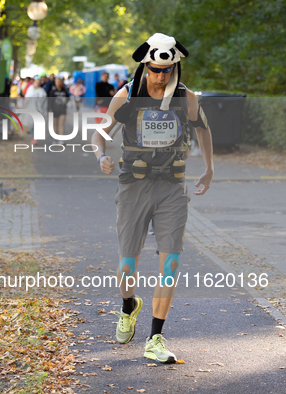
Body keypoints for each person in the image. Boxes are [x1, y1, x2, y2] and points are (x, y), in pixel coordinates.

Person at [91, 33, 214, 364]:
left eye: (169, 69)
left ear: (176, 66)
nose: (162, 76)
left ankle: (155, 337)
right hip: (134, 186)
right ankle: (128, 305)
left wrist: (209, 168)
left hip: (172, 187)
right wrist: (100, 155)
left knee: (170, 262)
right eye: (157, 69)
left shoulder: (185, 96)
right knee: (127, 263)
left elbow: (202, 128)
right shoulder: (128, 96)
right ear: (146, 65)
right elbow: (99, 133)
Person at [48, 77, 70, 143]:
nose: (58, 83)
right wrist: (50, 109)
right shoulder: (53, 91)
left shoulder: (64, 90)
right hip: (54, 110)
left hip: (62, 109)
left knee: (62, 124)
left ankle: (61, 139)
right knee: (55, 124)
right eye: (57, 82)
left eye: (59, 82)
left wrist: (66, 100)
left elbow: (68, 98)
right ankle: (55, 138)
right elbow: (50, 101)